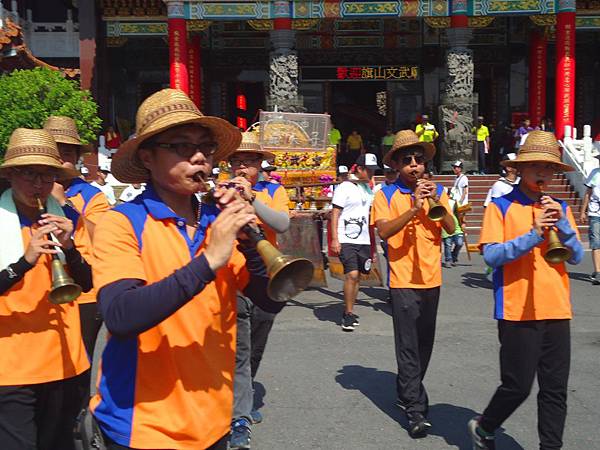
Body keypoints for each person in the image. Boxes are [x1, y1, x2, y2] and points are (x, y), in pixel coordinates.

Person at [90, 88, 282, 449]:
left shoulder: (215, 219)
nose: (199, 157)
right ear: (147, 157)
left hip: (213, 419)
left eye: (206, 148)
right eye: (181, 146)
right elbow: (120, 316)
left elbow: (269, 301)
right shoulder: (121, 223)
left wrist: (251, 245)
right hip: (143, 427)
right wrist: (209, 260)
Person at [469, 130, 584, 450]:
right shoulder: (501, 206)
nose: (543, 173)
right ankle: (485, 426)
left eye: (549, 168)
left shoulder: (560, 206)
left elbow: (575, 256)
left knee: (554, 389)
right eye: (535, 165)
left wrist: (561, 225)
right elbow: (491, 256)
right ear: (520, 168)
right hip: (516, 308)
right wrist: (533, 235)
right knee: (517, 386)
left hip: (557, 307)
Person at [0, 128, 92, 450]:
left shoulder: (67, 218)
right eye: (29, 174)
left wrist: (71, 248)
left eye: (47, 175)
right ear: (11, 174)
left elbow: (89, 283)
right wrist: (24, 262)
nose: (39, 184)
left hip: (66, 359)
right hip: (12, 367)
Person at [371, 130, 455, 438]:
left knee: (424, 343)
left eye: (418, 160)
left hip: (432, 276)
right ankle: (415, 409)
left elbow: (449, 226)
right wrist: (412, 209)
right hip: (403, 278)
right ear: (395, 165)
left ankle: (408, 389)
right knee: (407, 345)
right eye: (406, 160)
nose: (414, 166)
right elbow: (383, 232)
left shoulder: (439, 191)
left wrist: (433, 200)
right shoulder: (385, 194)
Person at [226, 132, 291, 450]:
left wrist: (253, 199)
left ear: (259, 164)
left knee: (256, 347)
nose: (241, 167)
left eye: (248, 161)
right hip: (234, 278)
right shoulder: (222, 190)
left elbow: (282, 224)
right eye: (236, 161)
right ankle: (238, 417)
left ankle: (244, 395)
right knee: (239, 351)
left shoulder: (273, 191)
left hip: (268, 279)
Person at [44, 115, 110, 402]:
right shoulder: (24, 193)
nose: (61, 159)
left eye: (67, 152)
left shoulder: (92, 196)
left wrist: (66, 206)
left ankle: (77, 424)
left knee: (78, 365)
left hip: (84, 295)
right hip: (40, 292)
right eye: (55, 151)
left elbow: (104, 238)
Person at [330, 153, 379, 332]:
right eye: (370, 170)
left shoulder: (368, 189)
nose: (373, 173)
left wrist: (373, 246)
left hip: (364, 239)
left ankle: (350, 308)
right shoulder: (344, 187)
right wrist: (335, 238)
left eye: (374, 170)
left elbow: (370, 216)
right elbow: (335, 213)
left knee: (358, 276)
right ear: (359, 169)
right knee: (351, 274)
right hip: (346, 238)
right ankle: (348, 313)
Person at [579, 152, 600, 285]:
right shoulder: (594, 173)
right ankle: (598, 272)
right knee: (596, 241)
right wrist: (583, 211)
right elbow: (588, 193)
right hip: (595, 212)